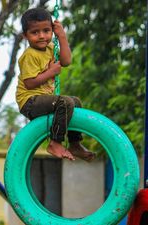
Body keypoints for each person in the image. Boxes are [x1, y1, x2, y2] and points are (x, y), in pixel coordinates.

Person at [16, 7, 96, 162]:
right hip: (30, 101)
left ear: (52, 30)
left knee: (76, 102)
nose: (42, 36)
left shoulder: (51, 47)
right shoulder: (29, 55)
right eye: (35, 32)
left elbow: (66, 61)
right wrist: (51, 72)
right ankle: (55, 142)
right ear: (25, 36)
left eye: (46, 31)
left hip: (44, 99)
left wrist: (62, 37)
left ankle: (75, 143)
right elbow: (29, 83)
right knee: (65, 102)